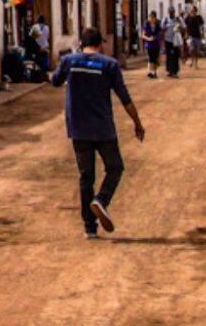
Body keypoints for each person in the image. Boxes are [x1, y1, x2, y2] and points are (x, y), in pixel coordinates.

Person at [52, 27, 145, 239]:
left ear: (81, 43)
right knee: (115, 167)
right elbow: (124, 97)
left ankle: (90, 228)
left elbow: (55, 81)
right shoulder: (109, 65)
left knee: (86, 177)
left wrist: (70, 61)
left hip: (78, 128)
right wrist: (137, 123)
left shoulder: (70, 61)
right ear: (100, 45)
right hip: (103, 129)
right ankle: (101, 200)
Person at [162, 8, 184, 78]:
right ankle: (169, 70)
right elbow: (162, 28)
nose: (171, 14)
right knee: (169, 56)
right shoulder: (165, 19)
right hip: (168, 40)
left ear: (174, 12)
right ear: (168, 12)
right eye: (170, 12)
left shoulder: (178, 19)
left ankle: (175, 71)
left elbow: (184, 27)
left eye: (172, 12)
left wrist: (179, 27)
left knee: (175, 56)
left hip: (175, 40)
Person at [141, 11, 162, 78]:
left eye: (153, 17)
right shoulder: (146, 24)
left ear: (155, 18)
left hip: (156, 44)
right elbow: (143, 35)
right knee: (150, 58)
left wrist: (157, 38)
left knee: (155, 59)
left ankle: (154, 72)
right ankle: (150, 72)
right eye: (150, 17)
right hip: (149, 44)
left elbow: (160, 33)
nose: (151, 19)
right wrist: (149, 39)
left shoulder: (158, 24)